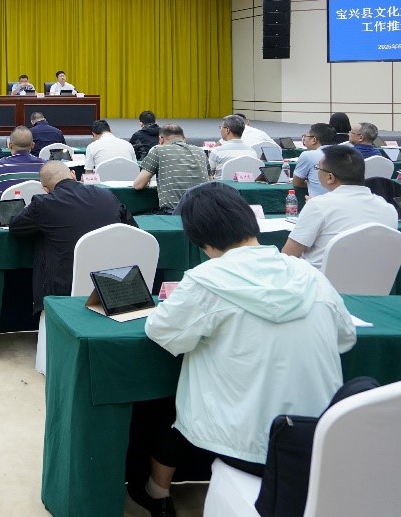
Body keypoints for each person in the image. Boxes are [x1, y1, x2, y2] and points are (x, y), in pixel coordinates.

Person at [128, 183, 356, 516]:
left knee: (172, 403)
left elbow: (161, 331)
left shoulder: (206, 279)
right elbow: (345, 337)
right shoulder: (310, 274)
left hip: (242, 445)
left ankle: (156, 492)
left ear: (201, 240)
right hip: (316, 438)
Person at [10, 160, 132, 373]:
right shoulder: (106, 196)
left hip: (64, 287)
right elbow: (130, 229)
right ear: (74, 175)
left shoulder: (43, 203)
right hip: (112, 282)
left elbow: (16, 226)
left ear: (45, 188)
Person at [282, 144, 398, 269]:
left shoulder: (318, 205)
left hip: (318, 279)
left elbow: (288, 255)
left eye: (318, 168)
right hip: (374, 279)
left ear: (330, 177)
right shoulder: (388, 208)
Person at [133, 124, 209, 213]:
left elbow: (138, 185)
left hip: (173, 214)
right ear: (184, 138)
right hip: (203, 212)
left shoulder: (158, 150)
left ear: (161, 139)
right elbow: (211, 182)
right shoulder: (201, 152)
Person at [0, 126, 45, 194]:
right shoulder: (45, 166)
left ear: (10, 146)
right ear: (33, 145)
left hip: (8, 201)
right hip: (37, 201)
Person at [292, 123, 335, 198]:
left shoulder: (307, 155)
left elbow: (296, 183)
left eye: (306, 136)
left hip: (317, 202)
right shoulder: (345, 153)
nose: (304, 139)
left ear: (314, 140)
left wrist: (311, 183)